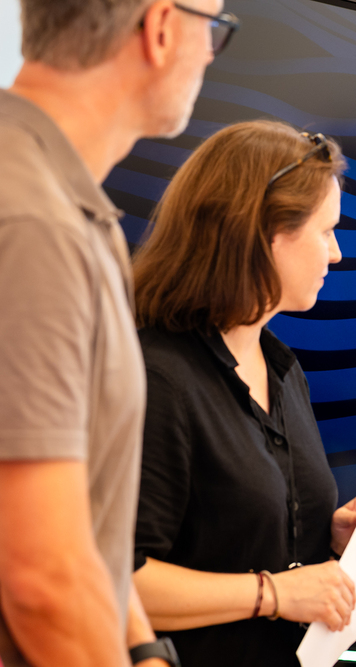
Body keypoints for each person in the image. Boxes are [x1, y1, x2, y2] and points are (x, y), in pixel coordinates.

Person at [0, 1, 236, 665]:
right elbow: (42, 578)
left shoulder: (72, 210)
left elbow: (83, 522)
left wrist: (143, 648)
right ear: (160, 28)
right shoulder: (36, 224)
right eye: (213, 28)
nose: (210, 52)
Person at [129, 119, 356, 667]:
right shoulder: (159, 377)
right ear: (264, 234)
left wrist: (329, 532)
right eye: (325, 231)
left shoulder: (282, 369)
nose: (337, 253)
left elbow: (234, 529)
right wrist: (273, 594)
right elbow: (114, 579)